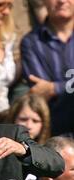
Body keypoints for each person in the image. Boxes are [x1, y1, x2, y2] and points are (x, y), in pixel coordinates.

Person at [21, 0, 74, 136]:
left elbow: (49, 89)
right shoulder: (31, 43)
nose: (62, 1)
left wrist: (55, 87)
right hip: (57, 128)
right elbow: (41, 91)